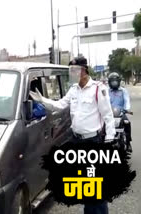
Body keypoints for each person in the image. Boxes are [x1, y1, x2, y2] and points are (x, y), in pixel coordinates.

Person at [31, 56, 115, 214]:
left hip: (93, 143)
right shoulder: (74, 90)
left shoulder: (98, 88)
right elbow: (59, 105)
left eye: (74, 70)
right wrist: (42, 100)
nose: (72, 73)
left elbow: (108, 116)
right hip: (77, 141)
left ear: (84, 71)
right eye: (71, 70)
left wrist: (109, 141)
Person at [108, 72, 132, 152]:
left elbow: (127, 100)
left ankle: (128, 143)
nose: (114, 83)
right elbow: (103, 102)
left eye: (115, 81)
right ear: (109, 82)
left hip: (121, 113)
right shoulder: (107, 91)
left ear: (118, 81)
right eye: (112, 81)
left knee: (127, 123)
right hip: (109, 114)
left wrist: (126, 109)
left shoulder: (123, 91)